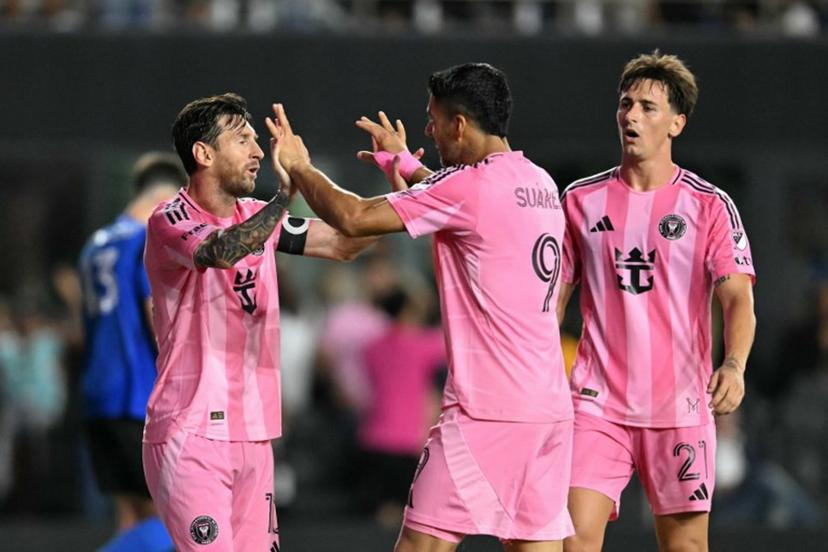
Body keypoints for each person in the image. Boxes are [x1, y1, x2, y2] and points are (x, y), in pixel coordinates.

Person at [269, 62, 574, 551]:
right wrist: (404, 167)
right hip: (548, 411)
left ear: (460, 124)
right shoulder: (537, 182)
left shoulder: (469, 189)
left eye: (433, 121)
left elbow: (352, 218)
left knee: (419, 547)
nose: (427, 131)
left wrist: (300, 167)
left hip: (486, 412)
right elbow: (459, 203)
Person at [141, 92, 374, 552]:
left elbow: (345, 244)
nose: (257, 152)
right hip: (191, 433)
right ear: (203, 153)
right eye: (243, 139)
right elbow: (221, 251)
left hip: (254, 434)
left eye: (257, 140)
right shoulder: (170, 219)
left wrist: (404, 192)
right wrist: (288, 193)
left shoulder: (257, 218)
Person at [556, 51, 757, 552]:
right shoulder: (580, 200)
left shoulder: (709, 204)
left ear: (676, 123)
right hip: (597, 405)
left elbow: (738, 298)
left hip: (680, 407)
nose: (631, 116)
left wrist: (733, 366)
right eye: (626, 104)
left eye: (648, 107)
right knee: (574, 541)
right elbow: (554, 296)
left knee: (686, 547)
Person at [78, 152, 186, 551]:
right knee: (173, 521)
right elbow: (156, 317)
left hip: (98, 397)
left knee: (132, 519)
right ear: (170, 197)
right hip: (137, 397)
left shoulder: (95, 244)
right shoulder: (146, 237)